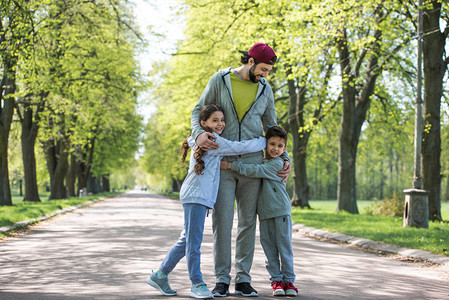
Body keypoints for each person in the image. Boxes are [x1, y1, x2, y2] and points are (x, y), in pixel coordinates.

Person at [191, 43, 291, 297]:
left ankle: (243, 278)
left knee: (247, 222)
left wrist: (285, 157)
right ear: (250, 61)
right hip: (221, 163)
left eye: (268, 71)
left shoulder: (265, 89)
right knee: (222, 222)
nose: (266, 75)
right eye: (264, 69)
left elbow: (271, 125)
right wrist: (199, 133)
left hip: (253, 163)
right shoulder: (220, 79)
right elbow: (197, 110)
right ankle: (222, 279)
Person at [146, 104, 266, 299]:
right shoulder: (213, 140)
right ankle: (197, 283)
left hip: (195, 196)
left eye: (222, 120)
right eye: (215, 120)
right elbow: (240, 147)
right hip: (196, 196)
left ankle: (160, 275)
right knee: (193, 243)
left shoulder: (199, 138)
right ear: (204, 123)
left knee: (186, 239)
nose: (220, 124)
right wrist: (263, 140)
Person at [221, 126, 298, 297]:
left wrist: (231, 165)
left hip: (280, 213)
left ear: (284, 149)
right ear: (265, 145)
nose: (275, 149)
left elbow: (255, 170)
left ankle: (289, 281)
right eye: (272, 144)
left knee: (284, 248)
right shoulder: (267, 161)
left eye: (280, 146)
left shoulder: (277, 164)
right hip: (265, 215)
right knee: (269, 249)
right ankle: (276, 281)